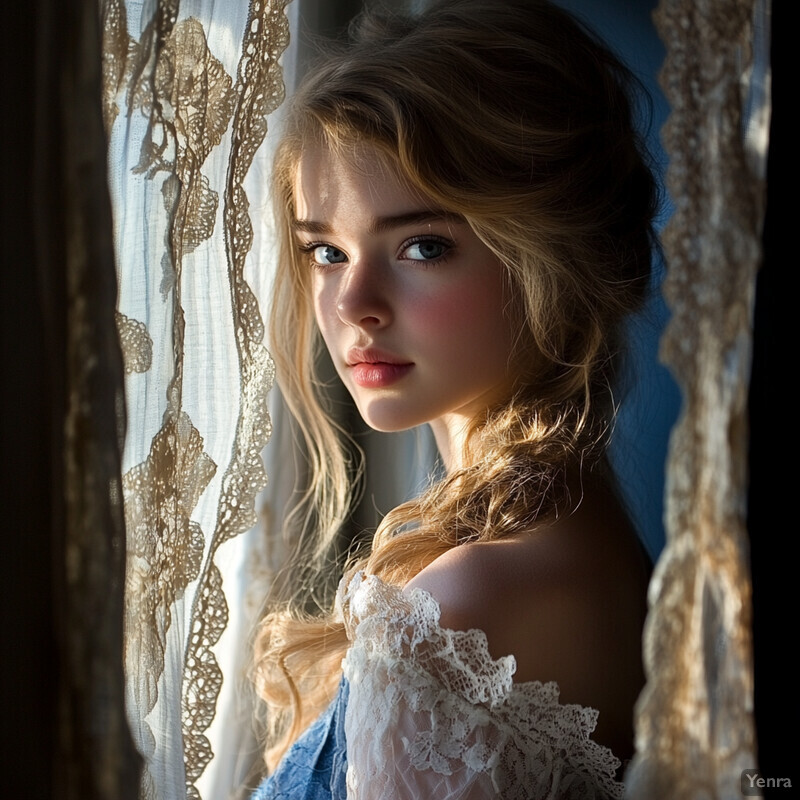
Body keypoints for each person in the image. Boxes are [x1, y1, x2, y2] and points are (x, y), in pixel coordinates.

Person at [250, 0, 658, 796]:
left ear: (549, 258)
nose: (353, 302)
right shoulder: (569, 541)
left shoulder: (475, 603)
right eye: (327, 251)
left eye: (422, 246)